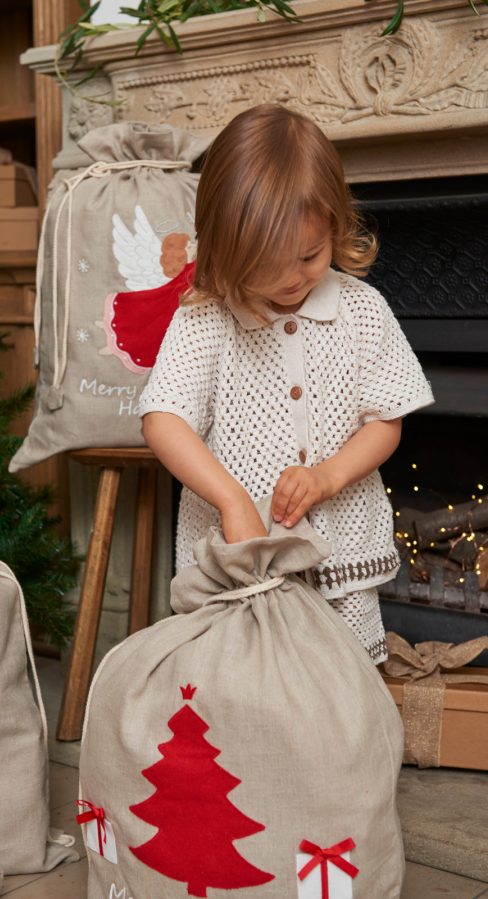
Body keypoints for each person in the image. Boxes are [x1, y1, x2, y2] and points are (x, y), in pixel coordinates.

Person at [138, 104, 434, 663]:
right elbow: (164, 419)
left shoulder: (362, 310)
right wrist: (230, 500)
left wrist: (327, 477)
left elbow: (386, 422)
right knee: (242, 681)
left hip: (338, 547)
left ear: (336, 226)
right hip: (238, 556)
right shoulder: (206, 318)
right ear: (223, 249)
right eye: (263, 267)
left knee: (341, 684)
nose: (290, 280)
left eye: (309, 256)